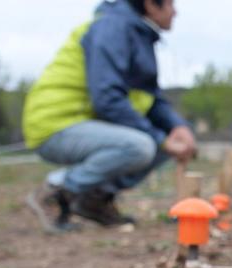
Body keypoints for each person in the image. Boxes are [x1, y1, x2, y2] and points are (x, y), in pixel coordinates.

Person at [23, 0, 197, 232]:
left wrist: (177, 127)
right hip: (56, 124)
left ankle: (93, 201)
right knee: (141, 146)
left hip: (86, 123)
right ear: (151, 5)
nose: (175, 11)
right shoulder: (112, 28)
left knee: (160, 143)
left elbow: (149, 97)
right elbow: (107, 99)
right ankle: (55, 190)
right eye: (170, 4)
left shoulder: (137, 34)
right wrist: (161, 139)